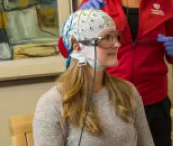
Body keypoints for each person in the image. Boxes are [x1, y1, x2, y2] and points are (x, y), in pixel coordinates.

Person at [57, 0, 173, 146]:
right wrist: (78, 17)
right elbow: (66, 48)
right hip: (110, 98)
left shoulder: (164, 2)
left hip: (153, 101)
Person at [33, 9, 154, 146]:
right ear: (78, 48)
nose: (116, 44)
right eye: (107, 38)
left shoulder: (127, 92)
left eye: (116, 37)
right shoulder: (52, 104)